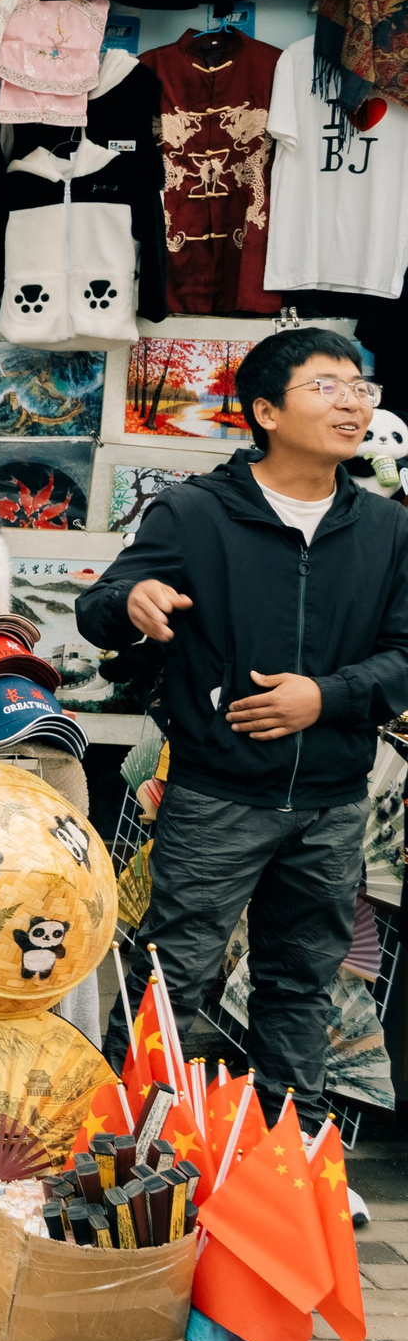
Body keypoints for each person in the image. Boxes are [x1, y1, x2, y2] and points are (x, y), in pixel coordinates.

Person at [76, 327, 408, 1124]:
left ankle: (285, 1158)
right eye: (326, 387)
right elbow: (97, 608)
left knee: (302, 985)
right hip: (217, 795)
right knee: (170, 977)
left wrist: (323, 697)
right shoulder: (194, 514)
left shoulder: (387, 529)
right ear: (264, 409)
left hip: (331, 802)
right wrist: (133, 602)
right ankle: (128, 1158)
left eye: (360, 387)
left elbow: (403, 653)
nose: (352, 402)